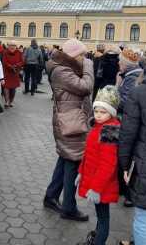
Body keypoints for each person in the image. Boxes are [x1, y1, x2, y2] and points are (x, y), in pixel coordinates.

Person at [44, 38, 94, 222]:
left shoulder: (65, 68)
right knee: (73, 161)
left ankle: (51, 197)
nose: (85, 58)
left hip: (71, 120)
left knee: (65, 158)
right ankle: (69, 208)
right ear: (74, 55)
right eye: (83, 55)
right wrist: (89, 66)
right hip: (70, 122)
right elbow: (86, 87)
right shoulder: (61, 71)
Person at [76, 86, 121, 245]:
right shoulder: (97, 127)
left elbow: (108, 165)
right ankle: (94, 240)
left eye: (103, 112)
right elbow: (88, 154)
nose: (98, 115)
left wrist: (96, 188)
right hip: (95, 182)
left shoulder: (109, 131)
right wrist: (81, 172)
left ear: (111, 113)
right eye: (96, 111)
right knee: (100, 216)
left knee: (103, 219)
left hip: (102, 186)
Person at [119, 63, 146, 245]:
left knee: (144, 219)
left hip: (145, 163)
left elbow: (127, 134)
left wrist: (124, 165)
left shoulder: (139, 92)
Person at [117, 49, 142, 207]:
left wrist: (113, 98)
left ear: (126, 64)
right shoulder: (132, 75)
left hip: (129, 122)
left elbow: (126, 102)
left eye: (120, 61)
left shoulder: (131, 77)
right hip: (131, 122)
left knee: (129, 155)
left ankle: (129, 193)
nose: (118, 63)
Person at [2, 41, 24, 108]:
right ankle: (6, 101)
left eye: (14, 45)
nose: (12, 47)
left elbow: (22, 61)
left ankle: (11, 101)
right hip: (7, 72)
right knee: (6, 87)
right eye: (11, 45)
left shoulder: (19, 53)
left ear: (16, 46)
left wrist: (16, 65)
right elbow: (4, 62)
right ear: (8, 46)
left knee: (13, 88)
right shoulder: (5, 52)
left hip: (15, 73)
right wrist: (11, 67)